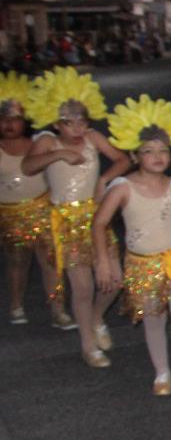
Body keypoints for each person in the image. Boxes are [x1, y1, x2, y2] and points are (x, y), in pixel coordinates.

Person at [95, 96, 171, 399]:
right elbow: (99, 223)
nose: (157, 156)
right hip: (142, 263)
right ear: (134, 155)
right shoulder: (123, 187)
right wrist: (104, 261)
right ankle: (162, 373)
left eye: (163, 151)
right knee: (154, 318)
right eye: (149, 151)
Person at [21, 67, 128, 367]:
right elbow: (28, 167)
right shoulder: (47, 141)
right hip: (66, 220)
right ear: (56, 123)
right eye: (70, 122)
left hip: (96, 217)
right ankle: (87, 345)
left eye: (82, 120)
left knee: (114, 280)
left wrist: (104, 178)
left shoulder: (93, 138)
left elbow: (123, 159)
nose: (78, 128)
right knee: (82, 287)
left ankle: (96, 319)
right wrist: (58, 155)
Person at [0, 77, 58, 325]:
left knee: (49, 260)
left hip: (42, 208)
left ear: (25, 120)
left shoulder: (38, 145)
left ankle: (57, 307)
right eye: (4, 119)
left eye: (15, 119)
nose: (9, 124)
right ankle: (16, 305)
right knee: (17, 262)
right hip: (11, 214)